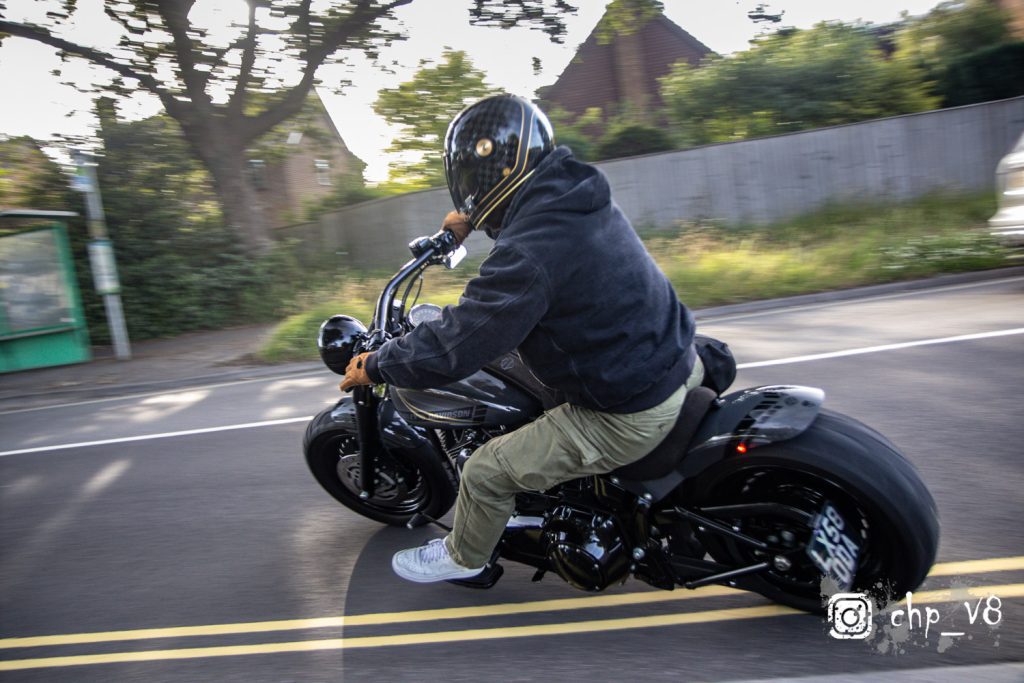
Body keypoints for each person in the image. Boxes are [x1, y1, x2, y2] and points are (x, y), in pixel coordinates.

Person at [340, 94, 702, 583]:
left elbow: (459, 343)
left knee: (487, 471)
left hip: (627, 407)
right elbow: (528, 233)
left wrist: (379, 364)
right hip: (672, 353)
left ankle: (464, 558)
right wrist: (473, 221)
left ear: (483, 174)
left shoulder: (531, 253)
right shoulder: (572, 190)